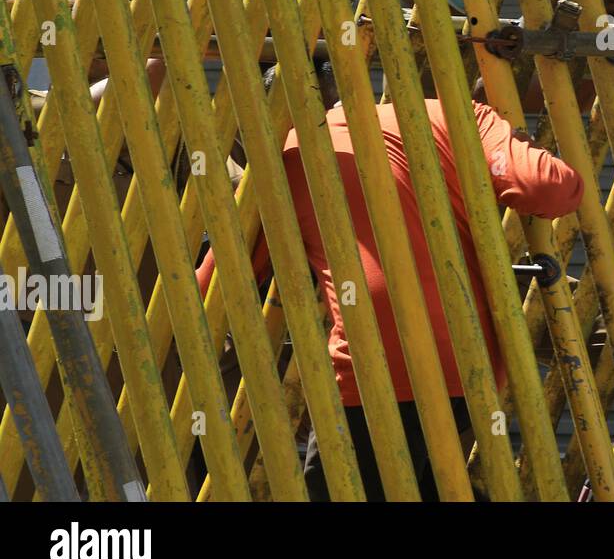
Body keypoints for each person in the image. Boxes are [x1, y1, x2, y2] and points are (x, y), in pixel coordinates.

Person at [197, 65, 584, 501]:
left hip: (375, 370)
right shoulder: (444, 116)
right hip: (470, 366)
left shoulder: (281, 165)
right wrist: (514, 141)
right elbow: (552, 189)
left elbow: (212, 288)